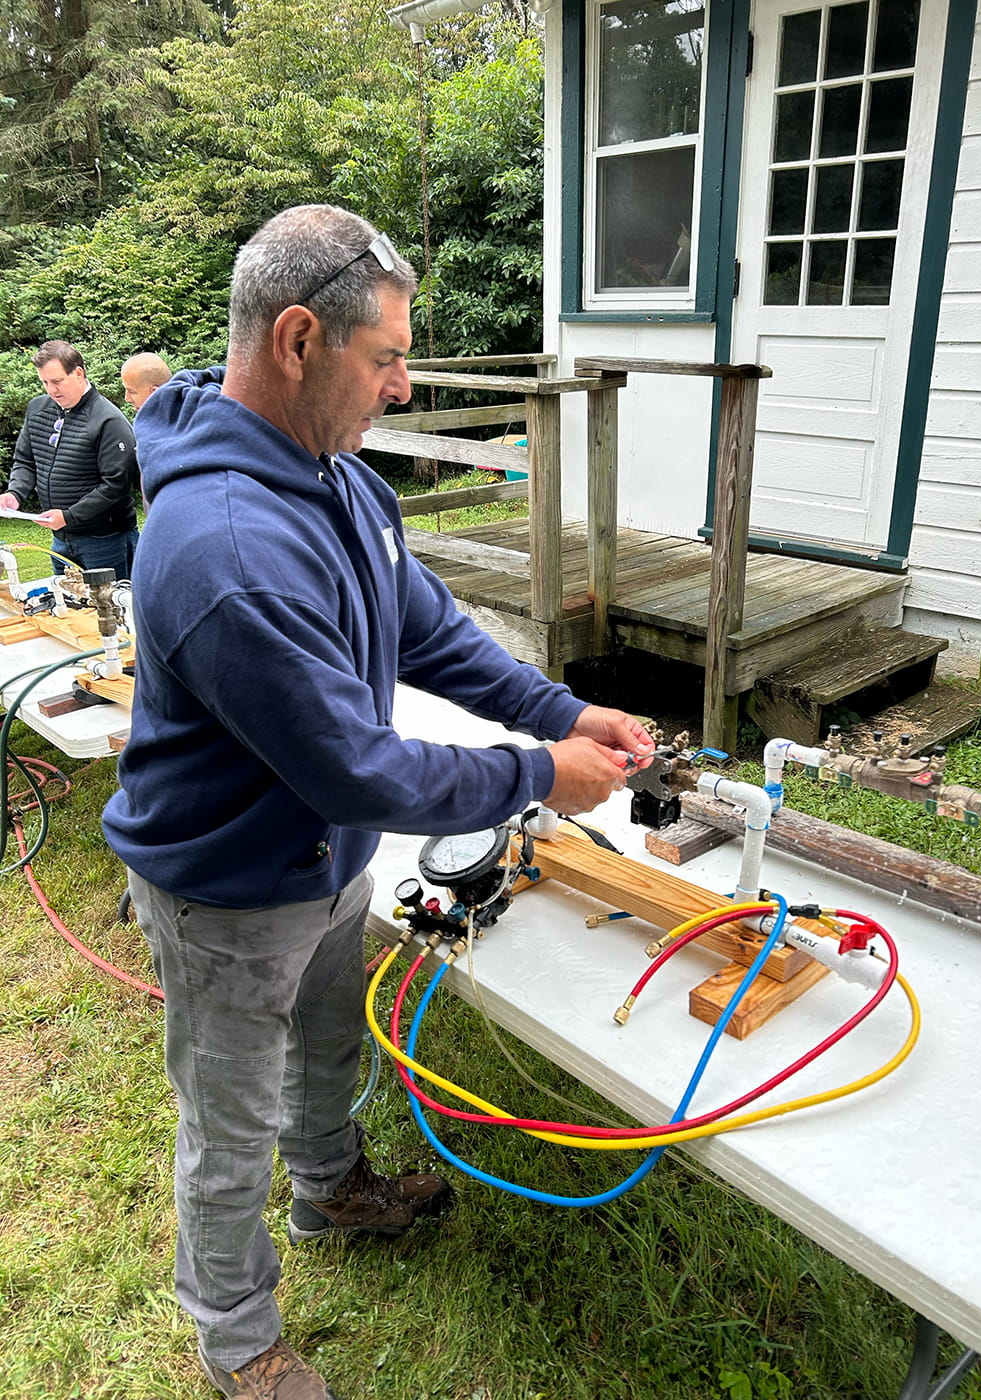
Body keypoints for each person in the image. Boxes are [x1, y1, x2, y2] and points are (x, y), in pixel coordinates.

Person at [102, 205, 654, 1400]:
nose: (404, 386)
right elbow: (362, 765)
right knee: (228, 1123)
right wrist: (540, 778)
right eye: (389, 356)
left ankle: (332, 1188)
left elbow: (425, 627)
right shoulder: (224, 547)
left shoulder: (331, 474)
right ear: (299, 340)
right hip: (227, 888)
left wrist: (557, 714)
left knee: (328, 1039)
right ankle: (239, 1337)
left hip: (323, 861)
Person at [0, 340, 139, 579]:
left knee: (112, 612)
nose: (51, 390)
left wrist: (69, 516)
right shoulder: (37, 409)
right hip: (60, 541)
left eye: (57, 381)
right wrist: (15, 493)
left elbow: (116, 485)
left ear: (78, 373)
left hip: (106, 541)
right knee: (68, 612)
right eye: (44, 382)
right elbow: (25, 461)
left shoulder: (108, 421)